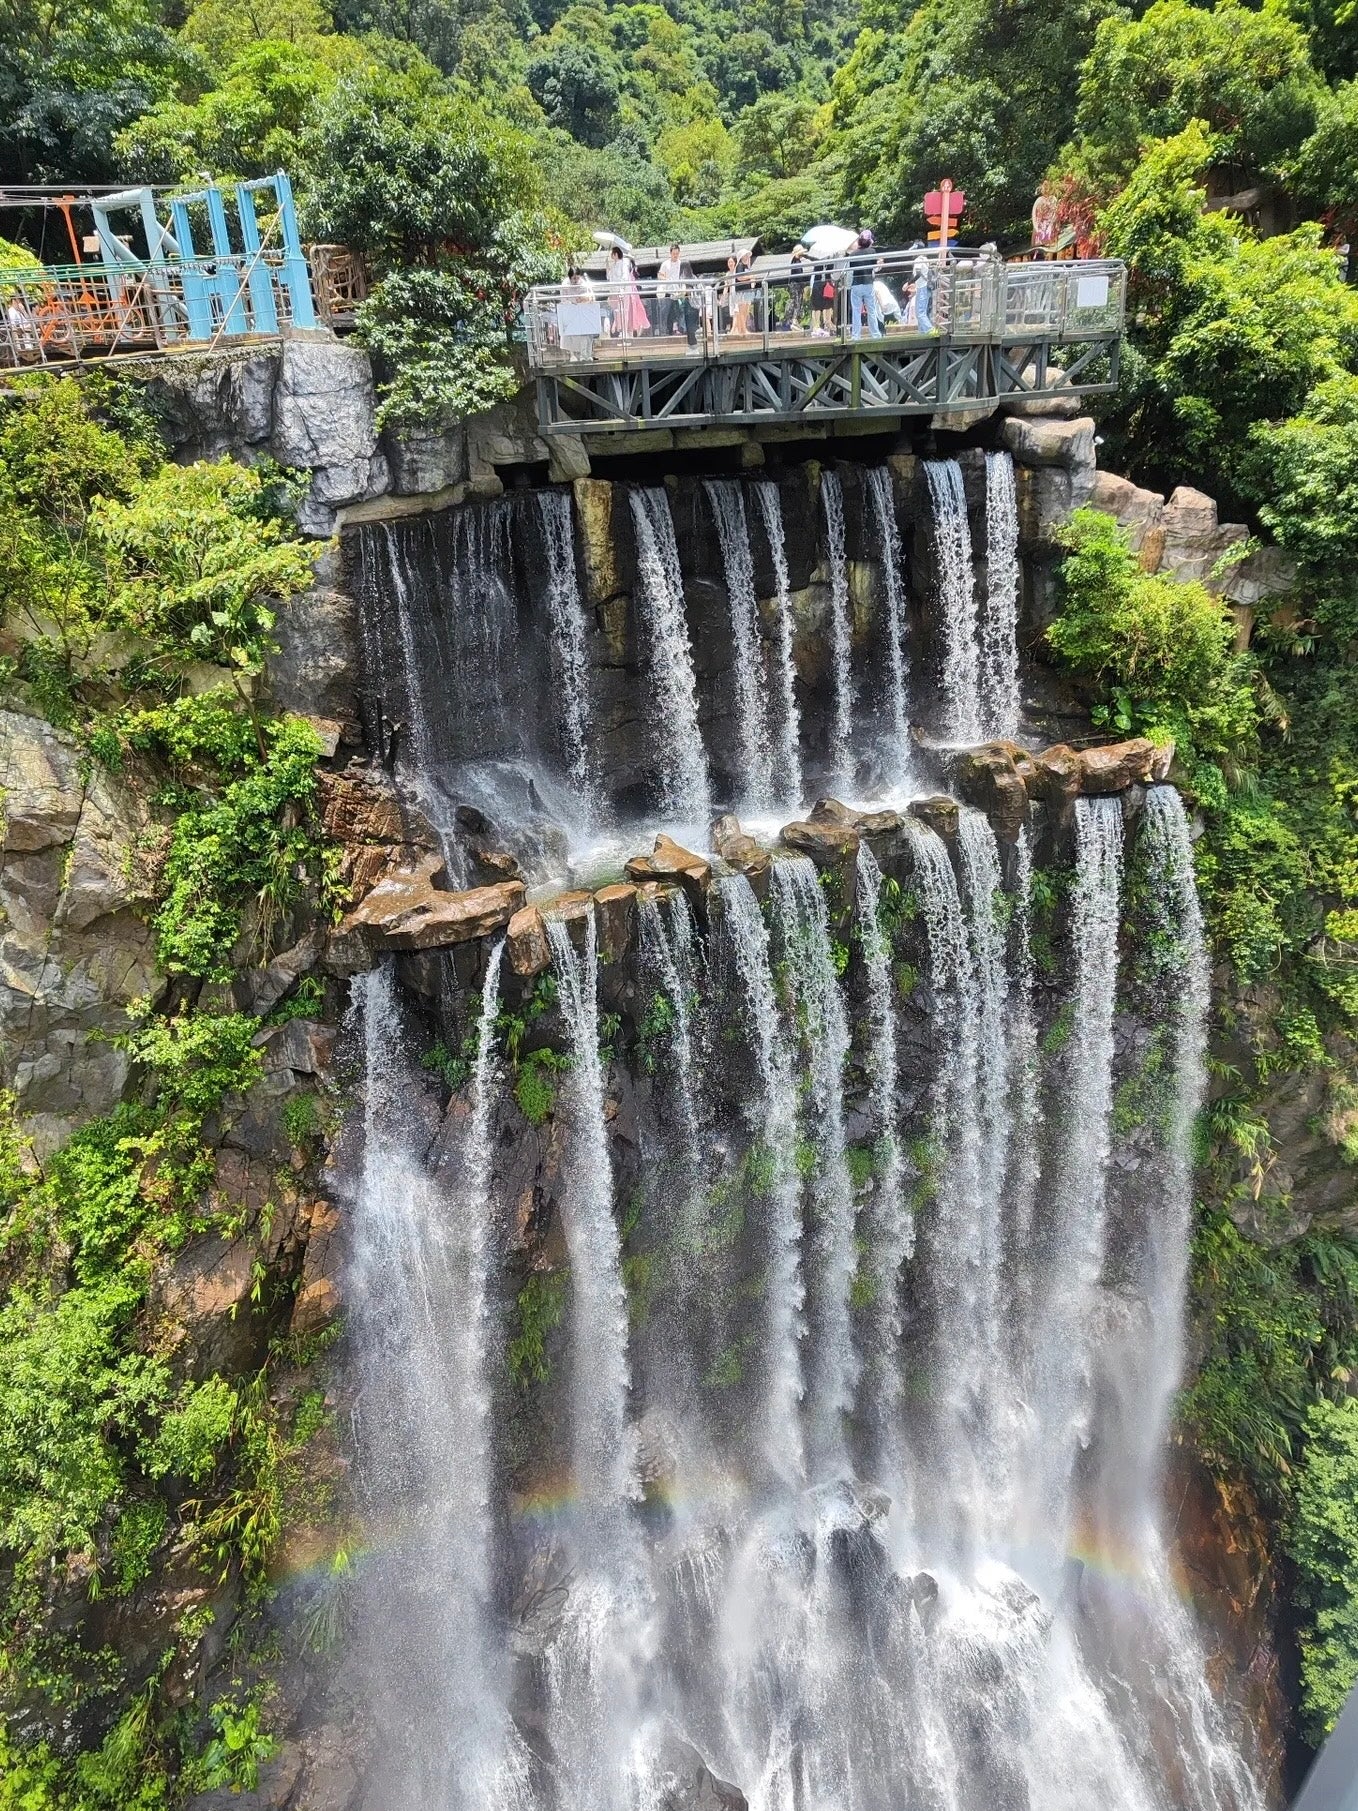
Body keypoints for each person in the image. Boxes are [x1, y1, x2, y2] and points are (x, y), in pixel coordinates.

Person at [557, 265, 599, 361]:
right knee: (570, 334)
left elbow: (591, 297)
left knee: (584, 333)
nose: (576, 280)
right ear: (570, 277)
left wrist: (583, 299)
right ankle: (572, 355)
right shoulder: (565, 284)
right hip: (570, 310)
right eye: (573, 278)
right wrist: (571, 304)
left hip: (582, 311)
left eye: (577, 277)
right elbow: (563, 299)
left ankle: (585, 355)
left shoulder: (583, 283)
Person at [848, 228, 882, 340]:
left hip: (856, 284)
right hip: (868, 284)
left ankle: (856, 336)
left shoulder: (852, 254)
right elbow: (874, 268)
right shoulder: (872, 251)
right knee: (871, 310)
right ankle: (875, 335)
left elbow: (851, 270)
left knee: (856, 312)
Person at [656, 241, 683, 336]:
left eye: (677, 253)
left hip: (678, 292)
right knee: (666, 312)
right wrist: (667, 279)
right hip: (667, 292)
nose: (675, 255)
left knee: (678, 311)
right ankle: (665, 331)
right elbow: (660, 275)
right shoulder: (665, 264)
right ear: (670, 253)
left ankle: (678, 329)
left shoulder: (681, 264)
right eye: (673, 253)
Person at [786, 244, 808, 331]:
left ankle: (795, 321)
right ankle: (794, 321)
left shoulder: (796, 260)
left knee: (798, 303)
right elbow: (798, 275)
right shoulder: (795, 261)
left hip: (797, 285)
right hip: (796, 285)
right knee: (796, 303)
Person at [733, 250, 754, 336]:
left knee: (745, 311)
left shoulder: (747, 266)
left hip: (747, 290)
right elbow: (739, 278)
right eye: (745, 255)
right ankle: (743, 329)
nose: (747, 257)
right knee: (741, 310)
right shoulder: (740, 266)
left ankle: (742, 329)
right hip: (741, 290)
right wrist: (750, 276)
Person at [912, 253, 934, 333]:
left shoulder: (918, 260)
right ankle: (922, 333)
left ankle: (930, 330)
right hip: (926, 287)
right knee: (923, 312)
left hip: (922, 287)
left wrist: (908, 283)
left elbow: (918, 274)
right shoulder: (926, 260)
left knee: (920, 313)